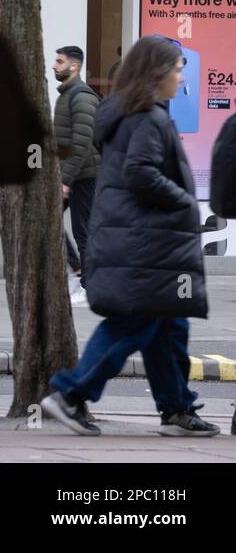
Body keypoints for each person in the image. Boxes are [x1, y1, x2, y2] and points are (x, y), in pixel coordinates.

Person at [41, 35, 217, 437]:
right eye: (176, 68)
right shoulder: (147, 118)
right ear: (157, 74)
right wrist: (186, 202)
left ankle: (177, 410)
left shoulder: (133, 114)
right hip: (145, 243)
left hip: (143, 240)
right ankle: (70, 393)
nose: (179, 76)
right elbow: (140, 172)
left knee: (168, 325)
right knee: (136, 322)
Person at [52, 45, 101, 307]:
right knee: (48, 222)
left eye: (59, 61)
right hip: (72, 173)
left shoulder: (82, 97)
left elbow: (82, 143)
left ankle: (89, 287)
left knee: (84, 232)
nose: (54, 65)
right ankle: (78, 270)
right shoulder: (68, 95)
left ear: (74, 66)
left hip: (85, 175)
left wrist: (66, 180)